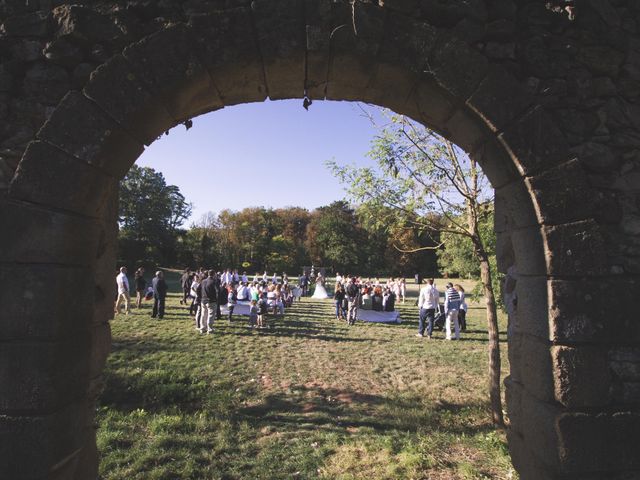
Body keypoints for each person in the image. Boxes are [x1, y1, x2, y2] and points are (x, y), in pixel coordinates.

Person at [200, 270, 217, 334]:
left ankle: (202, 328)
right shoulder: (214, 282)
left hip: (203, 300)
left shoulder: (203, 281)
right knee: (211, 315)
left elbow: (199, 289)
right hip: (211, 300)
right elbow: (217, 292)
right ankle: (209, 329)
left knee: (203, 315)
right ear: (214, 274)